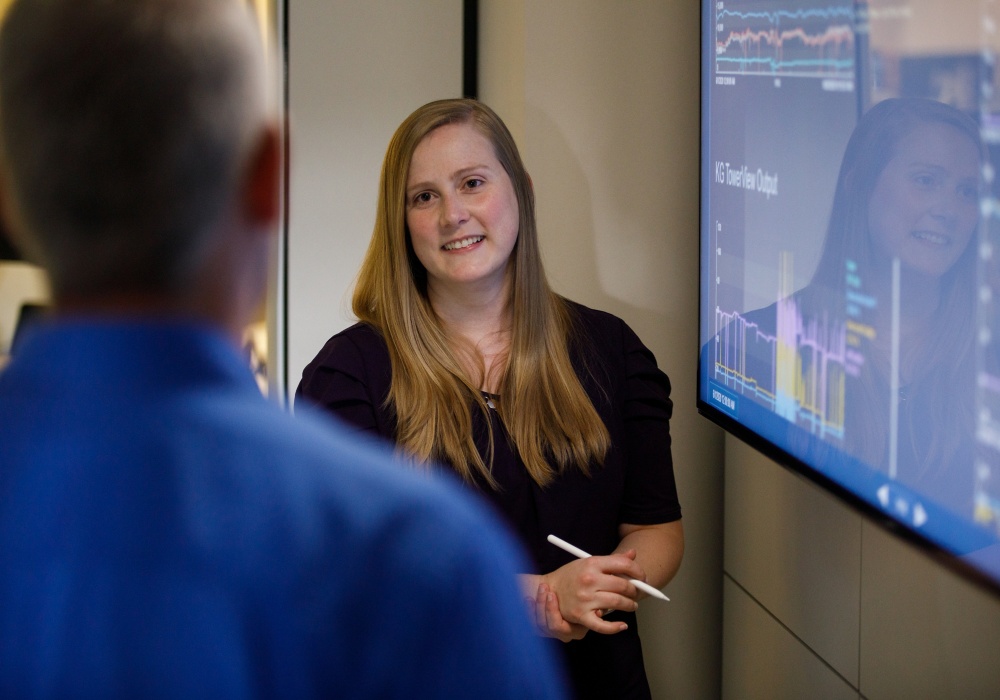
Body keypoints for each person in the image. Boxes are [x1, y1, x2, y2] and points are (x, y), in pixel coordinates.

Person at [0, 2, 568, 698]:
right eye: (425, 196)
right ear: (271, 176)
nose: (451, 212)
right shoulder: (423, 561)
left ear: (9, 196)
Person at [296, 98, 684, 700]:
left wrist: (604, 585)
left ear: (521, 192)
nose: (453, 214)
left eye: (472, 183)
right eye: (424, 197)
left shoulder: (613, 351)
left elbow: (656, 531)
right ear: (401, 221)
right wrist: (542, 599)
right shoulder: (348, 377)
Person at [709, 97, 984, 515]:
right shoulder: (751, 352)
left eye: (967, 191)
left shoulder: (988, 361)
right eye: (926, 180)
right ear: (859, 183)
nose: (949, 210)